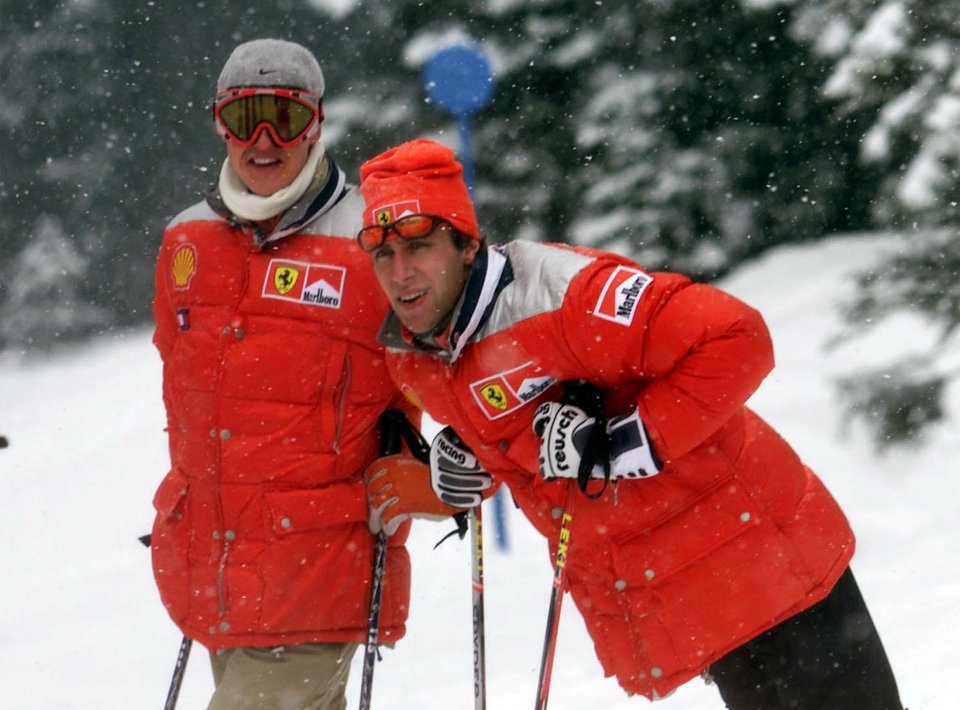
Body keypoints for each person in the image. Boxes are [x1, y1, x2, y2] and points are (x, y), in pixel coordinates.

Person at [355, 138, 904, 708]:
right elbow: (527, 439)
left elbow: (738, 339)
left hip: (767, 567)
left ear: (466, 244)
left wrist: (624, 442)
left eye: (419, 246)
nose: (401, 273)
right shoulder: (417, 356)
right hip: (695, 590)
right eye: (383, 255)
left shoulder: (565, 297)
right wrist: (467, 455)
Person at [149, 41, 451, 710]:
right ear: (218, 124)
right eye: (243, 117)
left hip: (321, 568)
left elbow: (459, 367)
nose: (264, 140)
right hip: (215, 569)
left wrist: (444, 470)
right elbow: (184, 382)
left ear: (315, 123)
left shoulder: (373, 240)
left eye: (283, 118)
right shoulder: (187, 240)